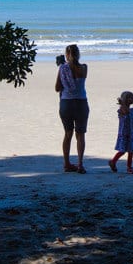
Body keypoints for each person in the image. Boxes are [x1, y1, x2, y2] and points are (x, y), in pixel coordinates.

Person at [55, 44, 89, 173]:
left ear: (66, 54)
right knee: (80, 135)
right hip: (81, 103)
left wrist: (62, 67)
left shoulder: (63, 69)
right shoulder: (84, 68)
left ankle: (67, 163)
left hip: (66, 103)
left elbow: (57, 88)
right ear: (78, 54)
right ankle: (80, 164)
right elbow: (77, 81)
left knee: (68, 134)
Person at [108, 91, 133, 174]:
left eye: (132, 97)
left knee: (131, 151)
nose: (132, 99)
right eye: (129, 98)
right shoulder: (121, 110)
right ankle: (113, 161)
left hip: (131, 134)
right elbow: (125, 112)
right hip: (123, 134)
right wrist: (123, 104)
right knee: (123, 150)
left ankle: (129, 167)